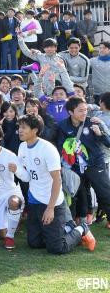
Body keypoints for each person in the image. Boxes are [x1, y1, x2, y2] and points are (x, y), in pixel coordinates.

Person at [16, 114, 95, 253]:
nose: (20, 130)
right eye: (19, 127)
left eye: (23, 127)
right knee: (34, 243)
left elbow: (57, 180)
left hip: (52, 202)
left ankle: (81, 228)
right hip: (34, 200)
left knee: (57, 248)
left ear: (34, 130)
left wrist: (50, 208)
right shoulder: (22, 147)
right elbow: (28, 177)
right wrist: (15, 169)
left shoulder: (47, 149)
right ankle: (65, 228)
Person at [56, 97, 110, 230]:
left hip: (95, 163)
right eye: (80, 110)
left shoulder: (94, 122)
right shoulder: (63, 125)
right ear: (70, 112)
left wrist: (100, 133)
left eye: (85, 110)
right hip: (75, 167)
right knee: (77, 195)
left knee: (104, 192)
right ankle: (77, 223)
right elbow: (60, 147)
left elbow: (108, 143)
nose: (84, 113)